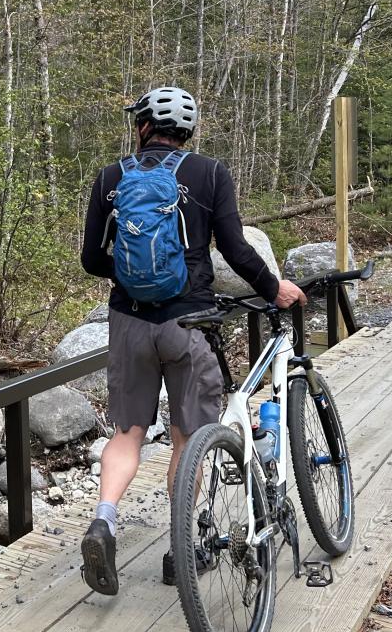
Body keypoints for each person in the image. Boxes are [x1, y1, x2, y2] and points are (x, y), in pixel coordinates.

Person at [78, 85, 306, 596]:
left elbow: (92, 260)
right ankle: (180, 550)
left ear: (142, 127)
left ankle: (104, 522)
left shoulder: (110, 177)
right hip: (192, 323)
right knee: (189, 436)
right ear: (187, 131)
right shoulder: (209, 173)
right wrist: (275, 289)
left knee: (128, 433)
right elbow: (234, 247)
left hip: (129, 322)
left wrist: (133, 272)